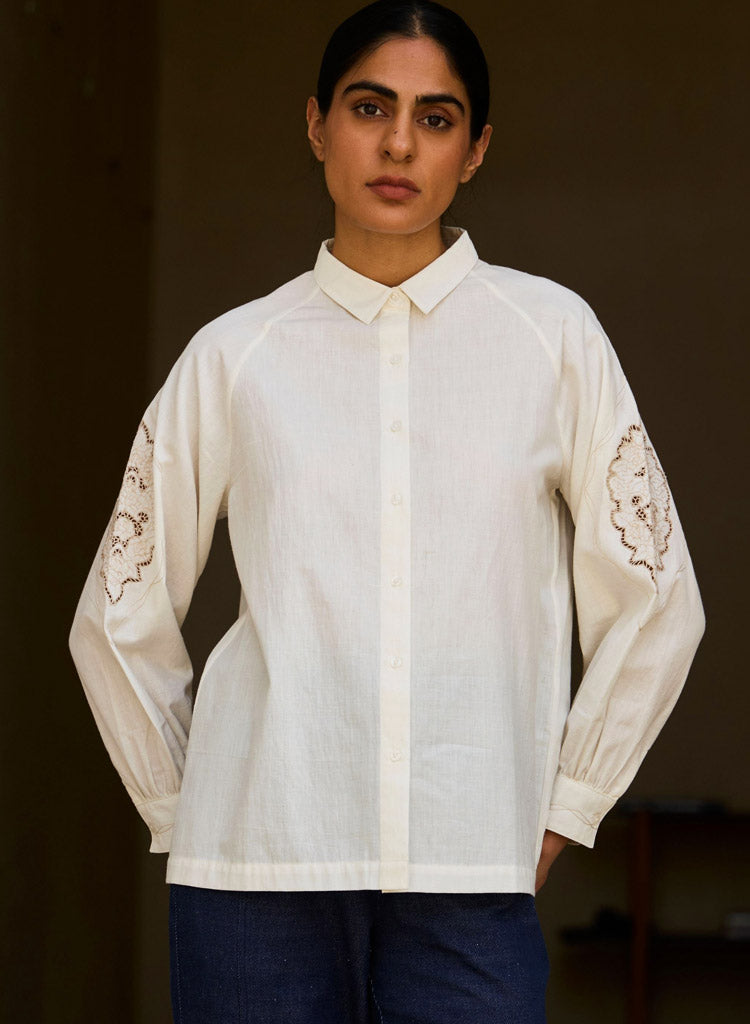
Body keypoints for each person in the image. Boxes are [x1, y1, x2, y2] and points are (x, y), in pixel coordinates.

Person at [69, 1, 705, 1021]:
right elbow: (115, 612)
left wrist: (573, 800)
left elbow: (659, 595)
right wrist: (190, 810)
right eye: (370, 108)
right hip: (254, 881)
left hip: (472, 871)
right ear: (318, 125)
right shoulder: (235, 356)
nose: (400, 143)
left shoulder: (552, 339)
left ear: (476, 148)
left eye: (436, 118)